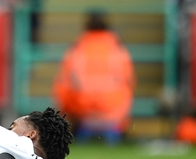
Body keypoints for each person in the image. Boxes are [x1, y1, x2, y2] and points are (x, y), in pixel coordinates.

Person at [53, 11, 135, 145]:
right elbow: (129, 81)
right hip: (114, 111)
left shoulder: (76, 49)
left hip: (83, 111)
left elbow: (63, 85)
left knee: (64, 91)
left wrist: (67, 113)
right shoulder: (118, 48)